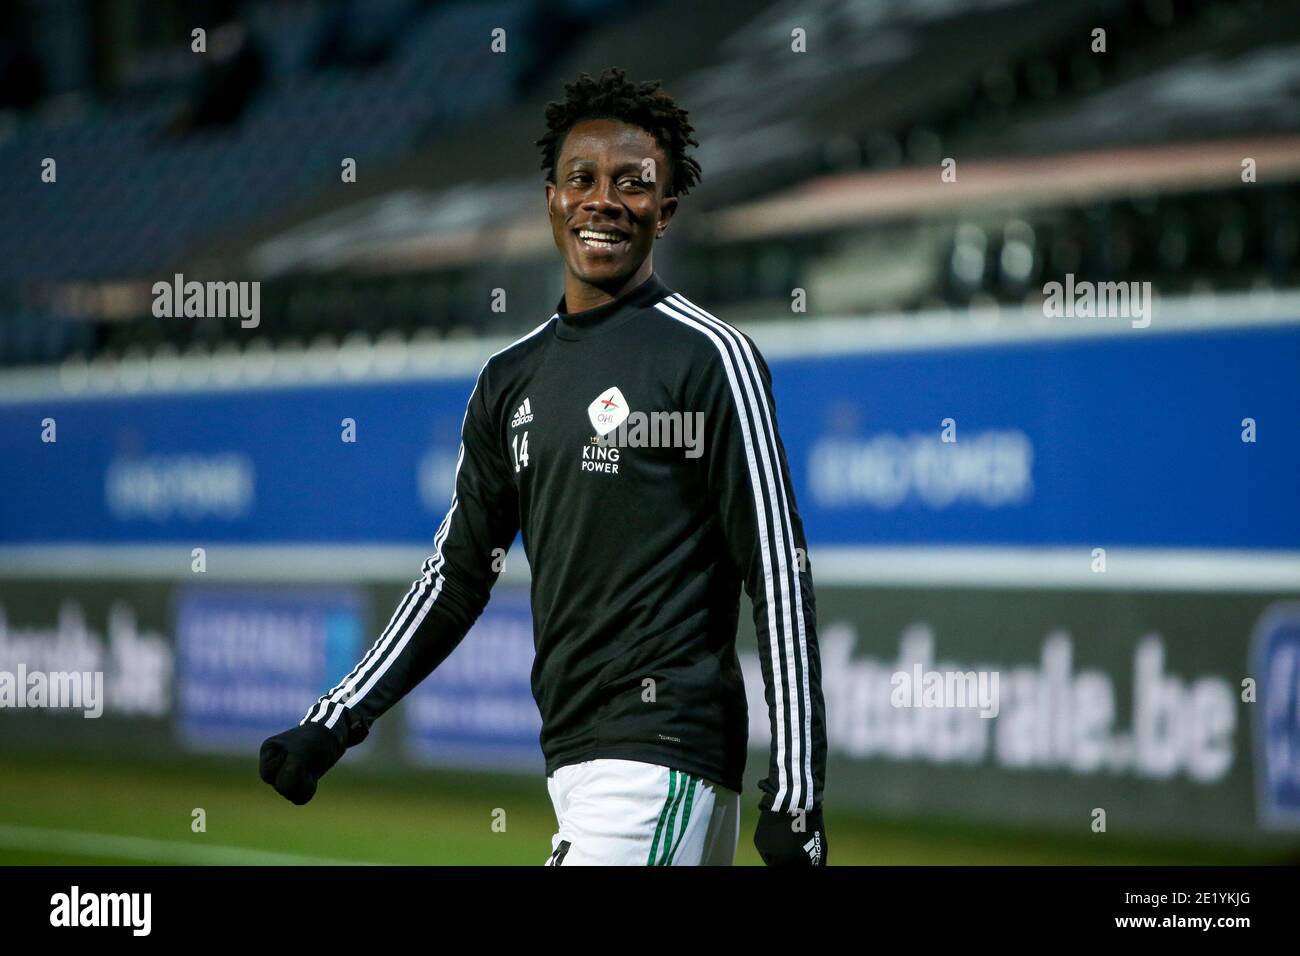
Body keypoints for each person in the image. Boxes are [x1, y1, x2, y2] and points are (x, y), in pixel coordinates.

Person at [259, 67, 827, 866]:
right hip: (573, 760)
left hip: (660, 755)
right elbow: (455, 579)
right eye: (581, 180)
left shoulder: (709, 358)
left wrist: (797, 788)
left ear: (665, 211)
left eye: (632, 184)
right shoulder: (508, 382)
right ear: (551, 200)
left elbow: (777, 571)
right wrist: (335, 719)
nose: (603, 200)